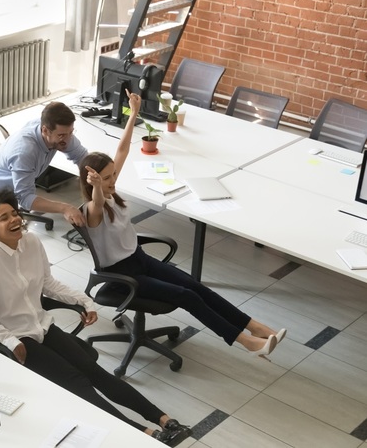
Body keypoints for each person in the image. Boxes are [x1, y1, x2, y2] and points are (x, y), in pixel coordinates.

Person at [0, 191, 191, 446]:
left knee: (96, 372)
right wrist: (8, 339)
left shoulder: (32, 242)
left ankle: (164, 420)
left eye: (14, 213)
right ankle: (144, 434)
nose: (14, 219)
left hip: (42, 325)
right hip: (18, 337)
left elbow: (48, 283)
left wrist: (84, 301)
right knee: (78, 383)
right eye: (4, 218)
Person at [78, 93, 286, 357]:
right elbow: (97, 201)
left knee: (195, 286)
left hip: (139, 259)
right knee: (186, 296)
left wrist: (133, 113)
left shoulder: (111, 191)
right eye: (107, 178)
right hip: (123, 276)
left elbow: (122, 150)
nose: (113, 180)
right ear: (93, 182)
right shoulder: (93, 209)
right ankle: (247, 342)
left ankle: (255, 327)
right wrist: (97, 186)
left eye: (113, 175)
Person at [0, 100, 88, 226]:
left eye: (71, 133)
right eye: (61, 135)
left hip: (12, 188)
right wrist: (65, 208)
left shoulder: (59, 132)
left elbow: (82, 157)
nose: (68, 139)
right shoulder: (25, 151)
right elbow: (25, 198)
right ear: (45, 131)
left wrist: (94, 187)